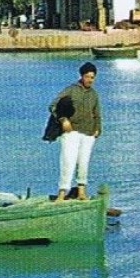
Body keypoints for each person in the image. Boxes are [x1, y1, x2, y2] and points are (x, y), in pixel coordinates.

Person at [49, 61, 102, 200]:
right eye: (87, 76)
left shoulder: (94, 94)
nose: (90, 80)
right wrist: (63, 119)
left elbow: (97, 113)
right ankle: (62, 192)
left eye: (92, 77)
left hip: (88, 133)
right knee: (68, 161)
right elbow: (53, 105)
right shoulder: (71, 90)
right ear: (82, 76)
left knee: (83, 162)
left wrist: (98, 129)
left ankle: (81, 191)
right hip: (71, 131)